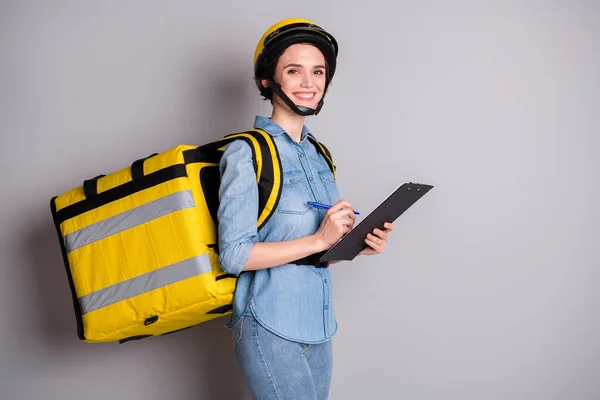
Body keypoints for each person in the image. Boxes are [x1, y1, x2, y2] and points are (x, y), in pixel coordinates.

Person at [217, 18, 395, 400]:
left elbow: (316, 252)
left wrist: (353, 246)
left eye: (318, 72)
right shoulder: (246, 152)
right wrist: (318, 239)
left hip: (319, 324)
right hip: (269, 322)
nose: (309, 82)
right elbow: (234, 255)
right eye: (294, 71)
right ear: (268, 80)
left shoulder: (319, 155)